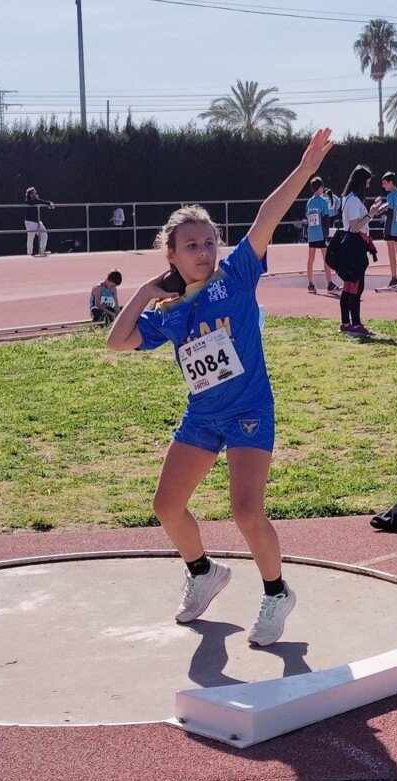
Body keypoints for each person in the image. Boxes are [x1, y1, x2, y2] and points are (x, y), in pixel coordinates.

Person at [106, 128, 335, 647]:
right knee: (167, 506)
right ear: (171, 255)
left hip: (250, 409)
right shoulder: (169, 311)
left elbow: (267, 217)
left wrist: (304, 168)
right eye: (191, 246)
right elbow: (117, 342)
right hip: (203, 417)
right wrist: (143, 291)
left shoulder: (236, 273)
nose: (204, 252)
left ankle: (277, 593)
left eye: (209, 242)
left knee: (246, 509)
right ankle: (203, 573)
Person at [338, 165, 386, 338]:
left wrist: (374, 211)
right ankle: (355, 324)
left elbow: (360, 222)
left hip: (355, 243)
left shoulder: (351, 199)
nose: (368, 185)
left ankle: (347, 323)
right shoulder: (352, 200)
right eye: (367, 181)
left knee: (350, 285)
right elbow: (354, 226)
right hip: (354, 244)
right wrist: (371, 214)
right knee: (355, 286)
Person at [305, 177, 338, 294]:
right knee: (327, 259)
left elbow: (308, 217)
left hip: (311, 234)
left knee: (311, 259)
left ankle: (310, 284)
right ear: (320, 188)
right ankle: (329, 284)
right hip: (321, 234)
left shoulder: (309, 202)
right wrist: (327, 233)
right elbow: (326, 218)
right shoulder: (324, 201)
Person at [380, 172, 397, 287]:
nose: (383, 185)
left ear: (391, 182)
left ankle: (394, 278)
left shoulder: (390, 195)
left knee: (392, 253)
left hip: (390, 227)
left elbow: (390, 211)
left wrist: (380, 211)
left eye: (384, 183)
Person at [24, 187, 54, 256]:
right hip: (30, 222)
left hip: (37, 221)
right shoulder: (27, 200)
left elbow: (41, 201)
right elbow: (32, 203)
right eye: (34, 193)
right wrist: (37, 199)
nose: (36, 194)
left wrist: (49, 203)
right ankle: (29, 253)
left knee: (44, 234)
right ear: (31, 194)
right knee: (31, 237)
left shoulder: (36, 200)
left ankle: (42, 250)